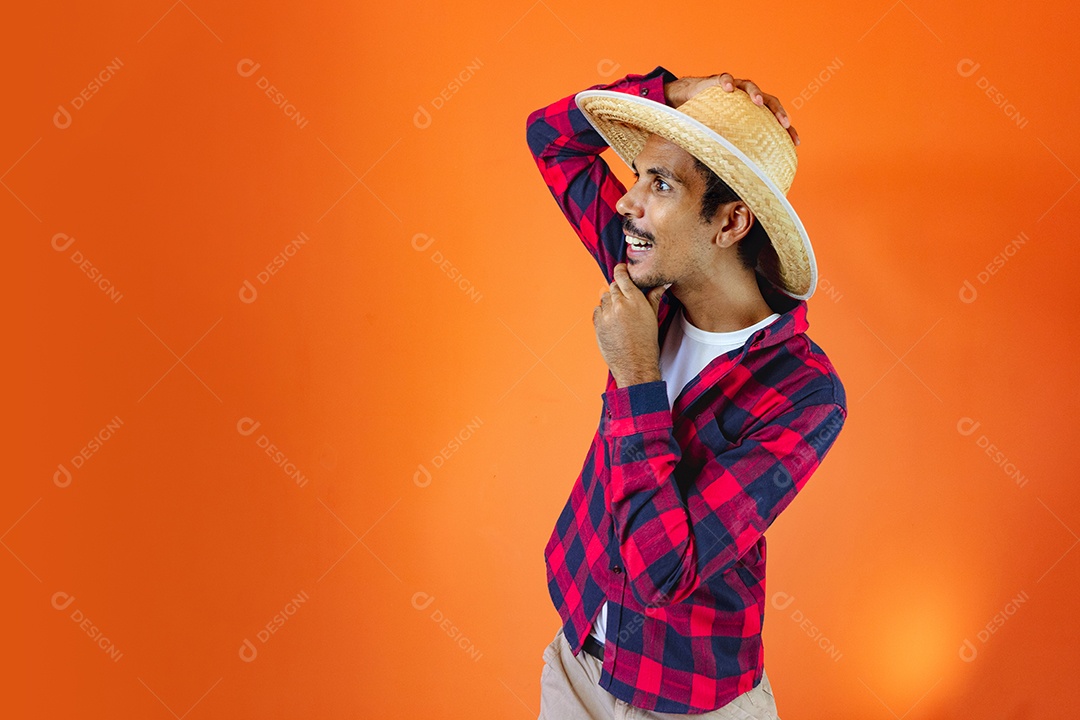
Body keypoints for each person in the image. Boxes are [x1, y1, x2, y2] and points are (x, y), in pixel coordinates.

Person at [525, 65, 848, 718]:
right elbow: (550, 139)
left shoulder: (804, 397)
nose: (626, 201)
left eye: (661, 182)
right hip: (577, 659)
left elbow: (660, 575)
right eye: (639, 174)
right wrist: (672, 93)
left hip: (689, 699)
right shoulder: (649, 267)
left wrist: (636, 377)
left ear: (729, 223)